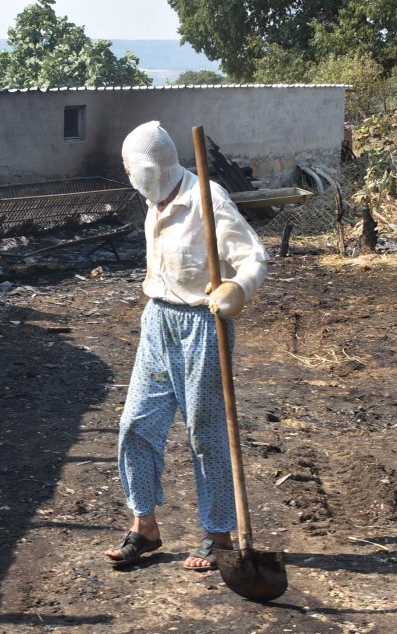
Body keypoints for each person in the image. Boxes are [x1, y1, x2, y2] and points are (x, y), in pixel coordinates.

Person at [104, 121, 269, 571]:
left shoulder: (208, 200)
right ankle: (145, 527)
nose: (127, 174)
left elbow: (254, 256)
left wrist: (238, 289)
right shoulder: (154, 201)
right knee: (135, 423)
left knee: (205, 431)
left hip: (203, 325)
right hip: (157, 321)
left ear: (150, 166)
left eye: (130, 166)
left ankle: (218, 535)